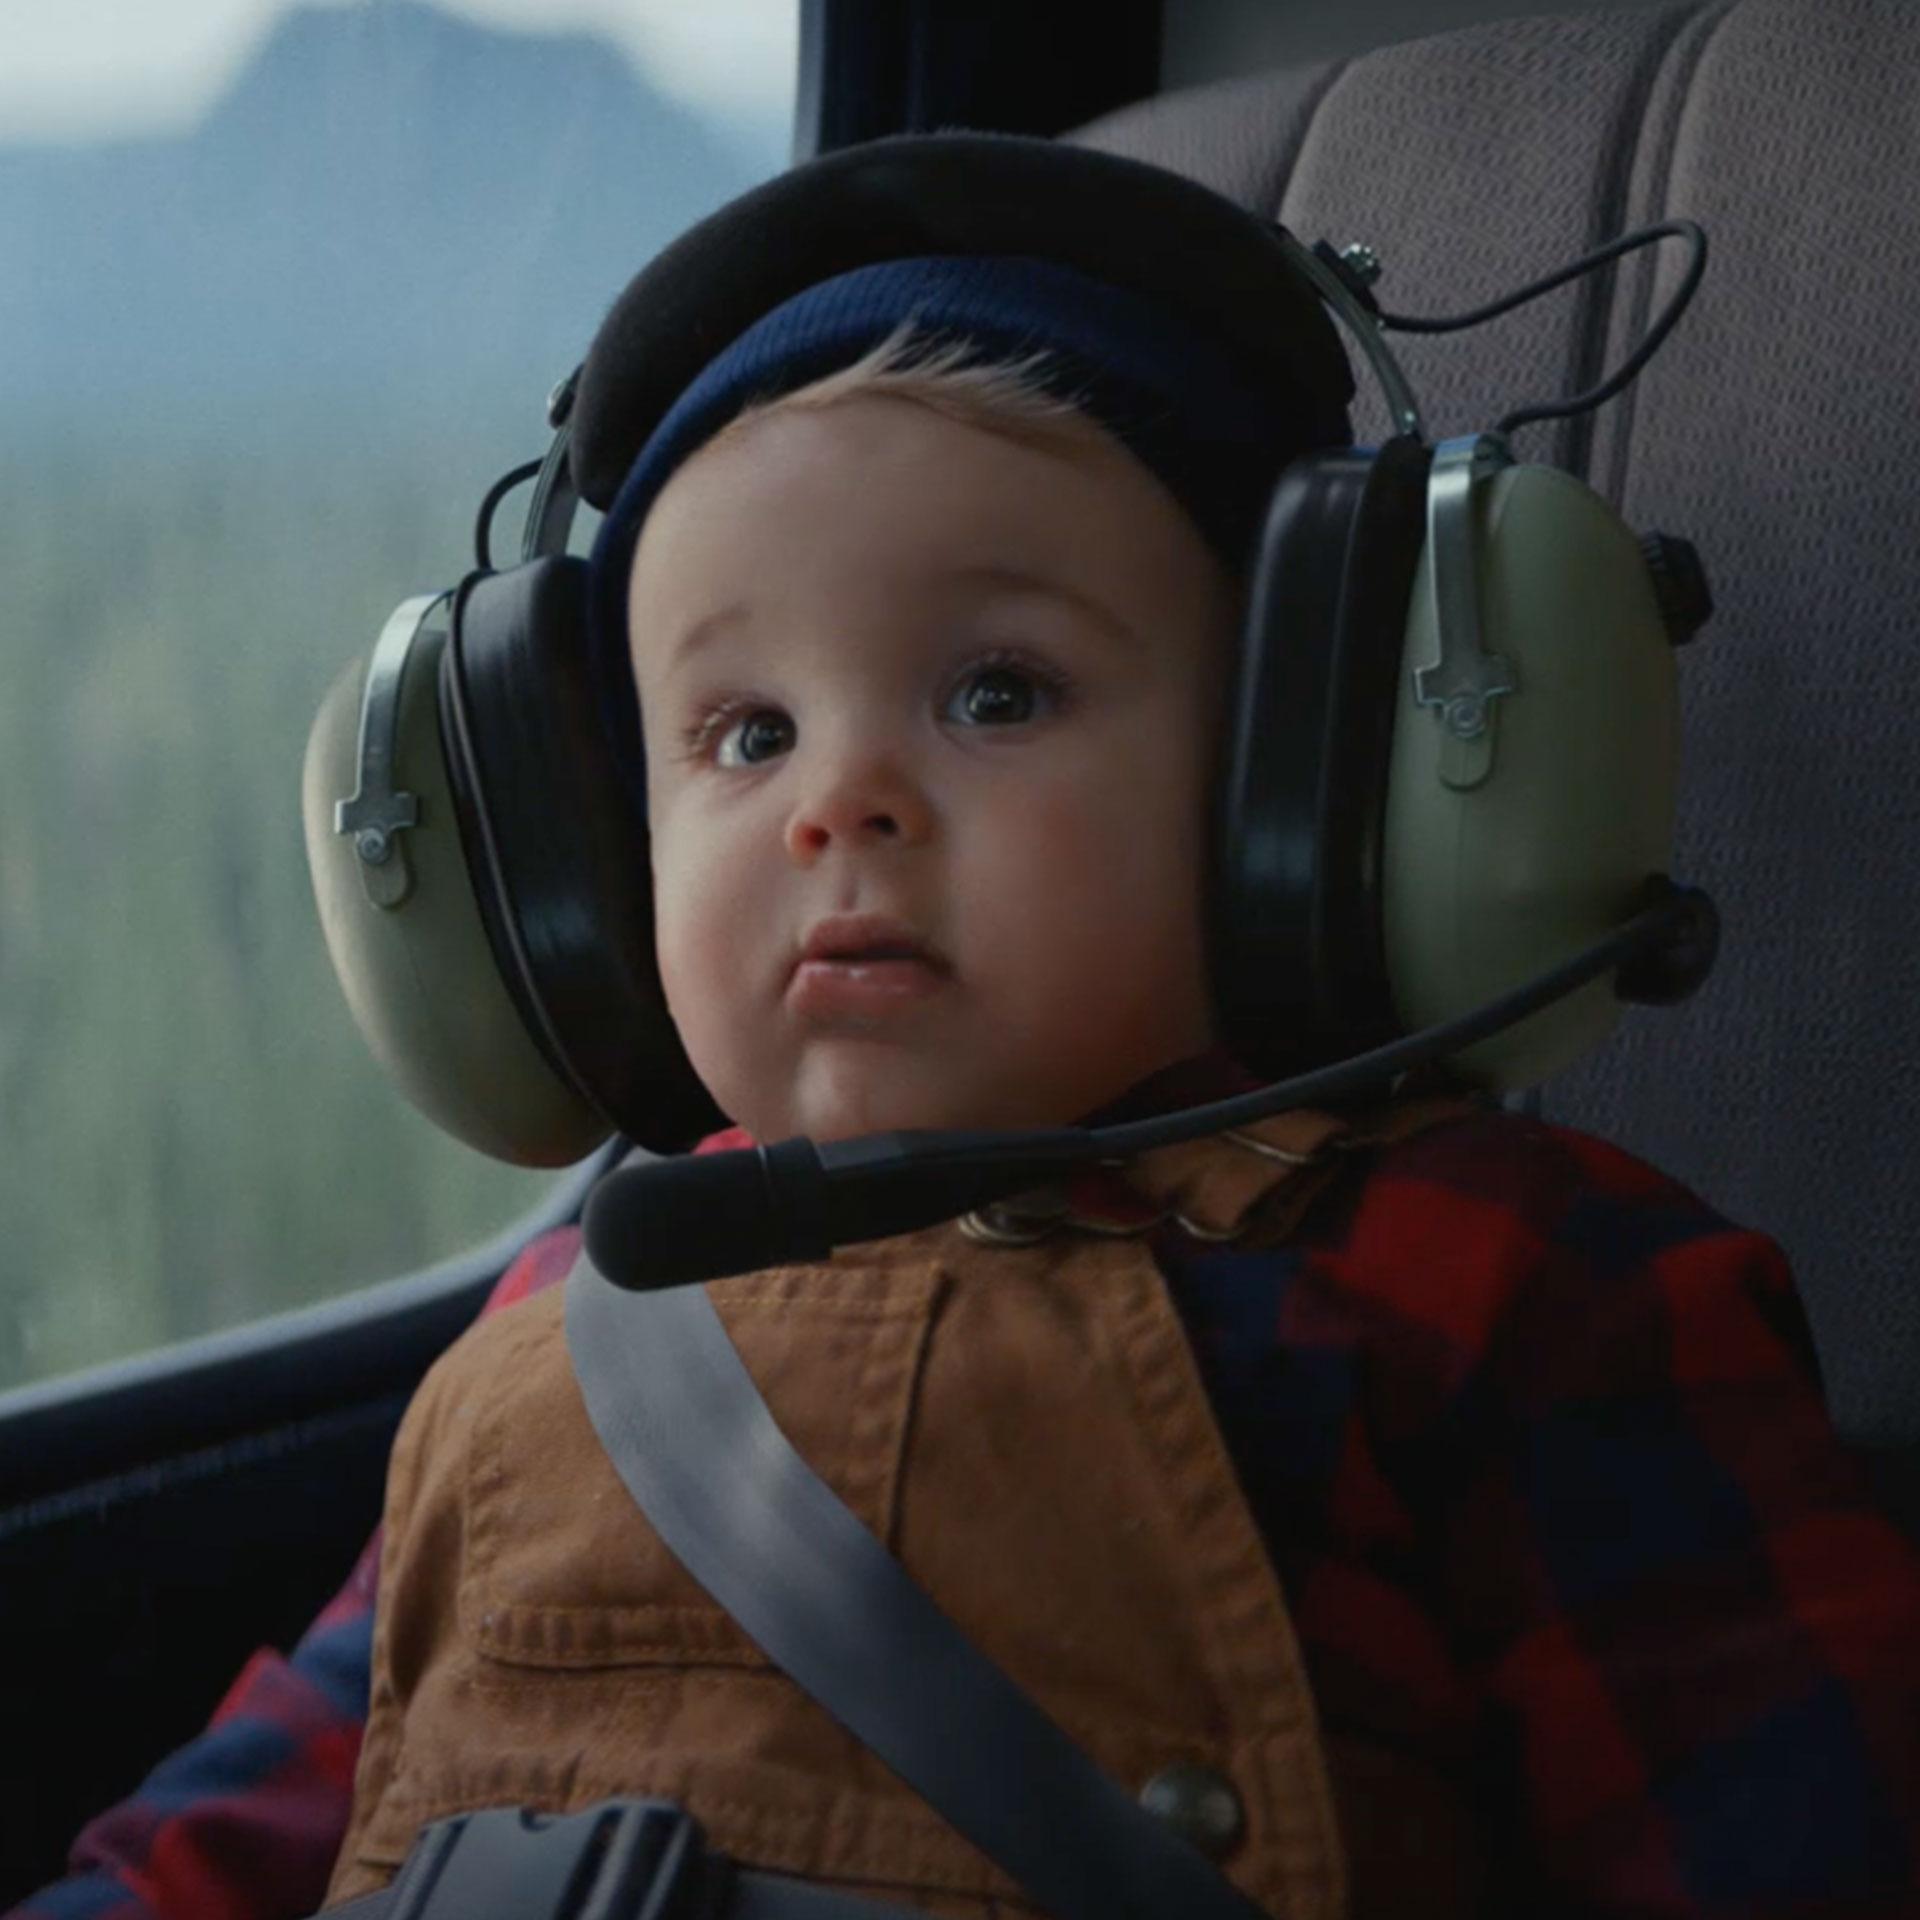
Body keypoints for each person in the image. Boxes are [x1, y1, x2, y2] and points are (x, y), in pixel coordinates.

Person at [15, 132, 1920, 1920]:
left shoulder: (1509, 1280)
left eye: (998, 693)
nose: (837, 803)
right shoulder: (560, 1334)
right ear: (580, 874)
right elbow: (247, 1827)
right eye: (745, 733)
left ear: (1303, 783)